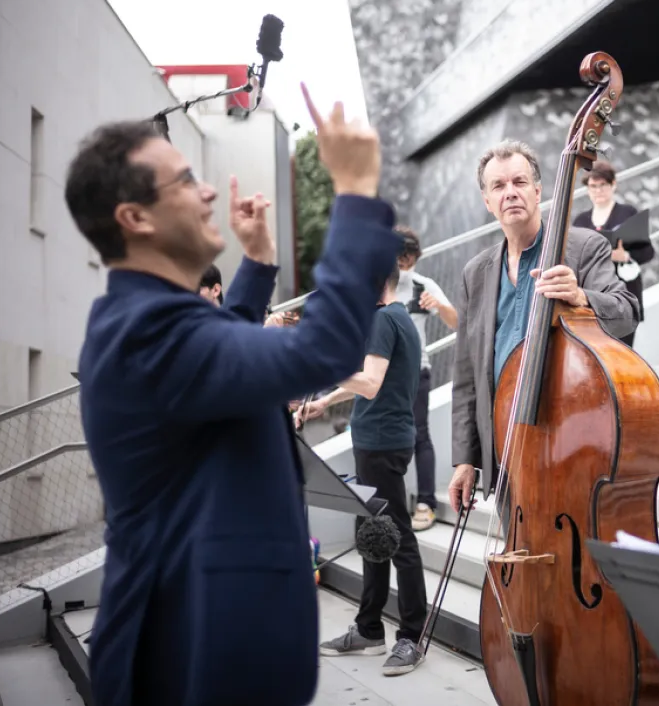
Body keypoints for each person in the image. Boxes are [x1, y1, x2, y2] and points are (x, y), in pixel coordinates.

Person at [65, 84, 399, 706]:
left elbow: (220, 360)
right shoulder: (148, 334)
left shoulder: (148, 323)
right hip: (192, 653)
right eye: (186, 182)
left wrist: (260, 262)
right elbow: (320, 352)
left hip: (203, 641)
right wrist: (354, 191)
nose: (210, 191)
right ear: (134, 219)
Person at [446, 140, 639, 511]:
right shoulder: (475, 274)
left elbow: (627, 312)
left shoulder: (584, 247)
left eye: (519, 182)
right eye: (498, 186)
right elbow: (467, 375)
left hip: (571, 436)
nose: (510, 193)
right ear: (487, 201)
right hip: (506, 448)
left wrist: (582, 296)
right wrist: (465, 459)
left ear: (537, 192)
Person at [304, 266, 429, 676]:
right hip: (379, 440)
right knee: (372, 537)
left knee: (396, 538)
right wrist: (328, 401)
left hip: (382, 443)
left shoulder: (381, 318)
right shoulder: (399, 318)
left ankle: (411, 636)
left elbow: (371, 383)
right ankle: (369, 629)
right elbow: (374, 377)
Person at [393, 225, 458, 531]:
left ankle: (426, 502)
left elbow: (457, 323)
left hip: (417, 369)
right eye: (398, 260)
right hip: (381, 373)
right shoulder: (375, 284)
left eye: (409, 261)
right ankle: (386, 507)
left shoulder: (423, 285)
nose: (404, 267)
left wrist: (440, 305)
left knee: (420, 434)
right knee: (383, 441)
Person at [572, 159, 655, 347]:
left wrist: (625, 256)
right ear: (587, 189)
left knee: (622, 351)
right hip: (592, 296)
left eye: (603, 185)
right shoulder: (581, 221)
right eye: (593, 186)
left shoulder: (627, 213)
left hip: (623, 293)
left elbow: (648, 252)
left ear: (613, 185)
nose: (598, 190)